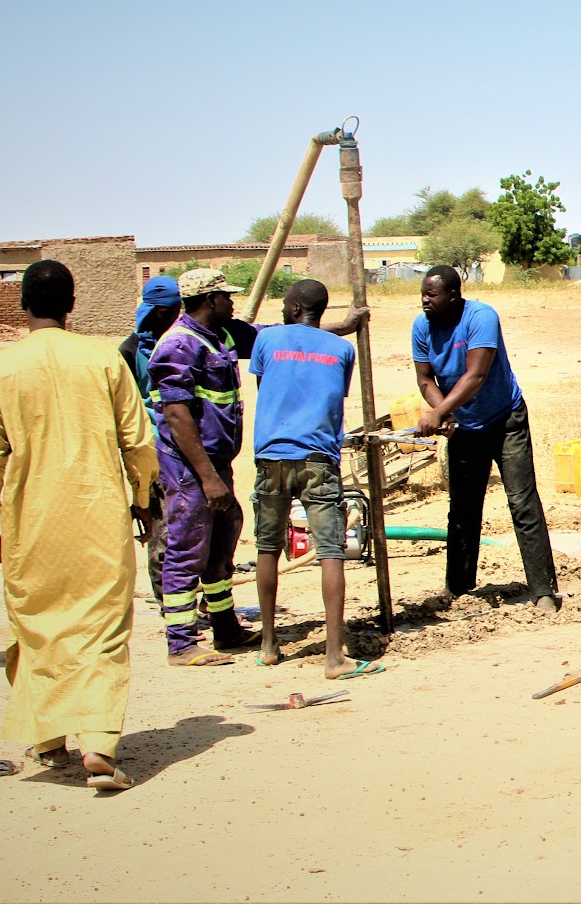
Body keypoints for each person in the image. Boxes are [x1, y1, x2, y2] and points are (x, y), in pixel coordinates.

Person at [0, 260, 157, 791]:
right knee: (101, 630)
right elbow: (138, 439)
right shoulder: (103, 360)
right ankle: (98, 744)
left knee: (37, 625)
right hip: (99, 517)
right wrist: (141, 498)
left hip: (32, 521)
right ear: (72, 305)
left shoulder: (0, 370)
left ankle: (50, 741)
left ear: (23, 305)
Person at [149, 268, 363, 666]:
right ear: (210, 300)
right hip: (189, 465)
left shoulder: (224, 335)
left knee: (222, 543)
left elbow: (289, 331)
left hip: (228, 460)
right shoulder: (178, 345)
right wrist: (209, 479)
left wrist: (343, 325)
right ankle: (180, 641)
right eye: (226, 297)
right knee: (186, 545)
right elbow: (177, 417)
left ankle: (225, 625)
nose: (233, 303)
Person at [249, 279, 384, 679]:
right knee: (330, 552)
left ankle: (269, 644)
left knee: (267, 547)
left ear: (292, 308)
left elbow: (266, 385)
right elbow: (331, 394)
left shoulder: (268, 342)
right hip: (318, 459)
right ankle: (333, 656)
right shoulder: (342, 349)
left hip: (271, 456)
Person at [412, 265, 559, 609]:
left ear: (453, 295)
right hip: (465, 426)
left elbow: (476, 375)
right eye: (423, 293)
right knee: (463, 507)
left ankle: (542, 590)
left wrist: (437, 414)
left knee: (522, 503)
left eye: (431, 295)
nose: (424, 300)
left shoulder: (481, 317)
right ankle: (459, 586)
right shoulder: (422, 327)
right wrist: (444, 413)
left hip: (505, 419)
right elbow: (425, 380)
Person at [118, 275, 181, 607]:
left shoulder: (181, 341)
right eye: (173, 309)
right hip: (153, 453)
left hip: (186, 447)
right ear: (159, 311)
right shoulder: (130, 352)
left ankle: (192, 602)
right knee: (162, 535)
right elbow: (126, 410)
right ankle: (169, 606)